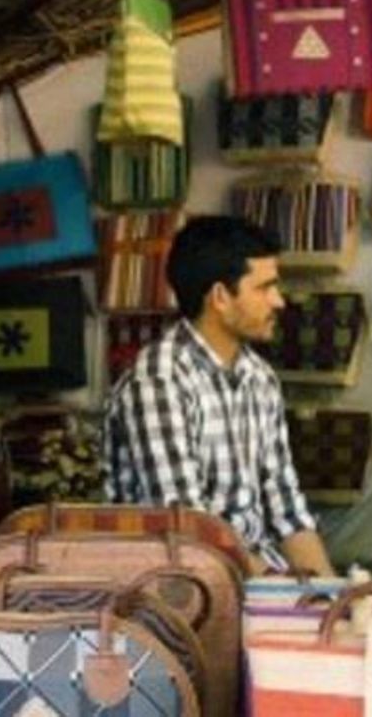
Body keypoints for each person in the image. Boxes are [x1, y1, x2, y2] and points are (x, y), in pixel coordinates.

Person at [103, 215, 334, 576]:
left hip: (258, 580)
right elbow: (190, 529)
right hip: (183, 591)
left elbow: (287, 510)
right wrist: (280, 594)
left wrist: (330, 600)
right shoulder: (159, 382)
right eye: (264, 288)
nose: (279, 301)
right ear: (220, 297)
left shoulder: (259, 378)